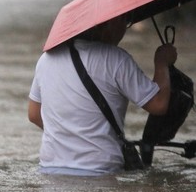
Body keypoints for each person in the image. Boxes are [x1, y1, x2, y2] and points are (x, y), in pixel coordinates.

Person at [28, 13, 177, 175]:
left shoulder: (46, 59)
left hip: (50, 170)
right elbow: (158, 104)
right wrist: (162, 63)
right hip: (99, 171)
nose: (124, 29)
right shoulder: (116, 59)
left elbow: (34, 114)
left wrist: (71, 134)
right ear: (105, 24)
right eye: (123, 21)